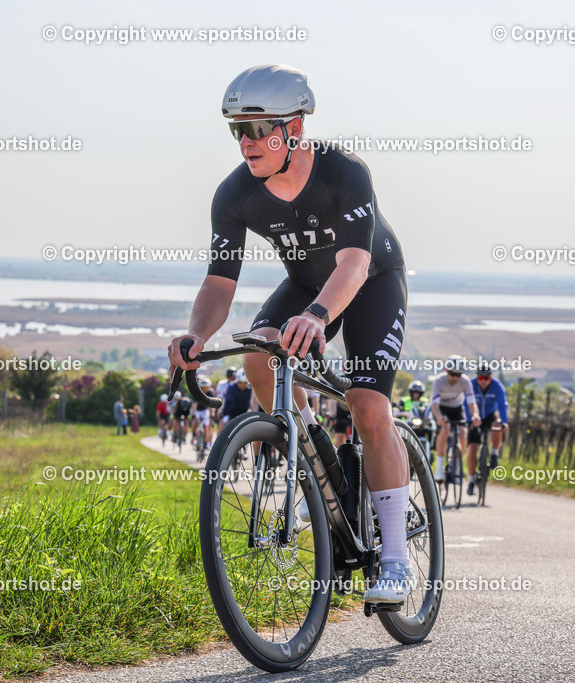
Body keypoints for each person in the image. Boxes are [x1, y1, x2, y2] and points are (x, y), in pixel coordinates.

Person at [168, 64, 413, 605]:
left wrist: (319, 316)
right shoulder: (234, 194)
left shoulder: (343, 171)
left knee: (367, 406)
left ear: (294, 128)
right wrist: (195, 336)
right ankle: (317, 453)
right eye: (237, 130)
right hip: (305, 284)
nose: (246, 143)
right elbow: (219, 281)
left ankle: (395, 560)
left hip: (370, 281)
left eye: (258, 130)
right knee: (259, 355)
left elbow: (353, 263)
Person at [430, 356, 480, 483]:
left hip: (457, 408)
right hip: (441, 408)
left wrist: (475, 415)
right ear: (447, 371)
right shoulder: (439, 381)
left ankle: (457, 466)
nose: (455, 378)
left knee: (463, 433)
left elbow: (472, 403)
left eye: (458, 375)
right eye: (452, 374)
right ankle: (439, 469)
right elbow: (434, 405)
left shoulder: (465, 381)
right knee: (445, 428)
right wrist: (439, 417)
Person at [466, 364, 509, 493]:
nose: (483, 381)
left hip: (490, 415)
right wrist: (469, 420)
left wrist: (504, 422)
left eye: (486, 378)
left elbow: (502, 405)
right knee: (472, 448)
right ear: (477, 377)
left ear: (490, 378)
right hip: (475, 417)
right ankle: (471, 480)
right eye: (481, 378)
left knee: (498, 425)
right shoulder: (471, 385)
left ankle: (494, 453)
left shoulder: (497, 386)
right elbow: (466, 404)